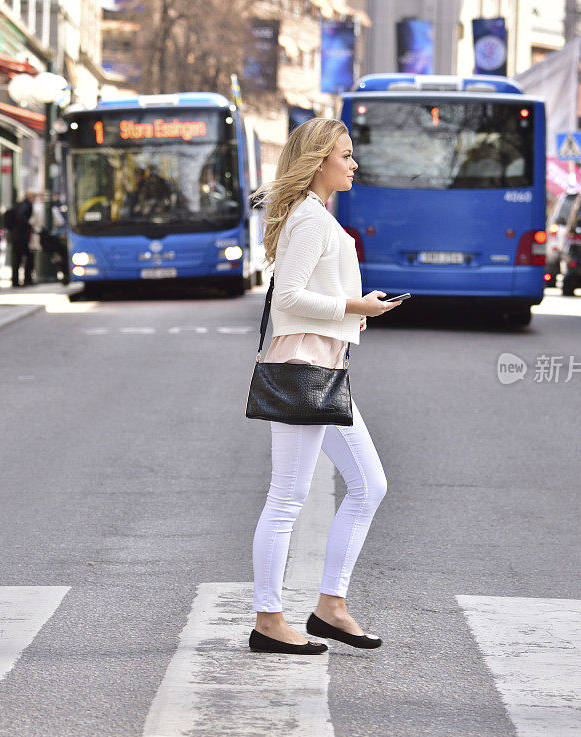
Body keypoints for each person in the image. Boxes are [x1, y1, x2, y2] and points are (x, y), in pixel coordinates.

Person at [249, 118, 403, 655]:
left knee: (370, 485)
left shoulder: (315, 215)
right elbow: (289, 299)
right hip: (304, 369)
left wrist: (352, 316)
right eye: (346, 154)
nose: (353, 163)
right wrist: (353, 306)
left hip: (324, 365)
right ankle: (269, 620)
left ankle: (330, 606)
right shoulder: (311, 219)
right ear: (319, 162)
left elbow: (308, 297)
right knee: (287, 497)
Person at [10, 192, 36, 287]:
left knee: (18, 258)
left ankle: (16, 281)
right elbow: (21, 217)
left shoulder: (21, 204)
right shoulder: (26, 205)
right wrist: (29, 226)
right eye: (34, 197)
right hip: (21, 236)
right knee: (27, 257)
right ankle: (27, 279)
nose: (34, 199)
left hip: (17, 236)